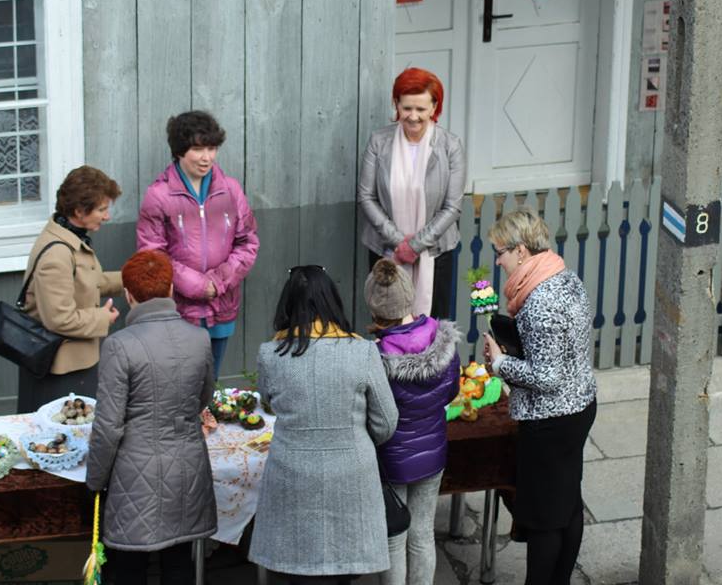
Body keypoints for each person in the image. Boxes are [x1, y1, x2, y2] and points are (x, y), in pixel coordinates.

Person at [249, 265, 399, 585]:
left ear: (287, 305)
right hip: (351, 473)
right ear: (333, 301)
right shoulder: (363, 351)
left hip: (292, 474)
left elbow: (268, 401)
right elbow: (386, 422)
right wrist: (355, 436)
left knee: (297, 569)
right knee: (344, 570)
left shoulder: (271, 354)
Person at [86, 249, 216, 585]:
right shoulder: (199, 338)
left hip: (134, 473)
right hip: (188, 467)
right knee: (179, 565)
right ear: (171, 289)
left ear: (128, 295)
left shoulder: (119, 345)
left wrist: (95, 480)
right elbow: (203, 398)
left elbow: (108, 426)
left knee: (128, 570)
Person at [482, 208, 597, 585]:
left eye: (500, 252)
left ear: (520, 251)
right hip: (579, 406)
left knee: (546, 517)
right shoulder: (564, 276)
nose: (497, 261)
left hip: (551, 421)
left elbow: (547, 377)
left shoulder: (539, 301)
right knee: (568, 504)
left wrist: (500, 363)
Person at [137, 110, 259, 379]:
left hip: (222, 306)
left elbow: (247, 242)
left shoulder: (231, 190)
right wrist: (197, 286)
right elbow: (152, 254)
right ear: (180, 151)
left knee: (209, 382)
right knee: (178, 384)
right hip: (178, 312)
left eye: (212, 148)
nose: (207, 157)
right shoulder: (158, 195)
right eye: (198, 149)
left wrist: (217, 282)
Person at [364, 258, 461, 585]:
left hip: (392, 458)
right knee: (423, 533)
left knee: (395, 536)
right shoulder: (442, 338)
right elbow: (451, 392)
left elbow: (373, 413)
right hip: (434, 451)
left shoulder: (376, 355)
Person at [357, 67, 466, 319]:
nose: (413, 116)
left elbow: (452, 206)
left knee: (434, 326)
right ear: (396, 104)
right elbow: (366, 197)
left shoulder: (450, 146)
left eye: (421, 109)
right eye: (407, 108)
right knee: (387, 322)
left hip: (435, 253)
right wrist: (399, 242)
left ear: (434, 107)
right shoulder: (378, 142)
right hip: (385, 251)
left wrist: (415, 246)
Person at [17, 166, 123, 413]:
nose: (107, 216)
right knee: (64, 433)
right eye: (101, 209)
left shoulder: (69, 237)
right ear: (79, 211)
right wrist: (102, 318)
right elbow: (59, 318)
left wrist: (133, 278)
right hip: (60, 372)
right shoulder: (57, 254)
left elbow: (90, 281)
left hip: (73, 363)